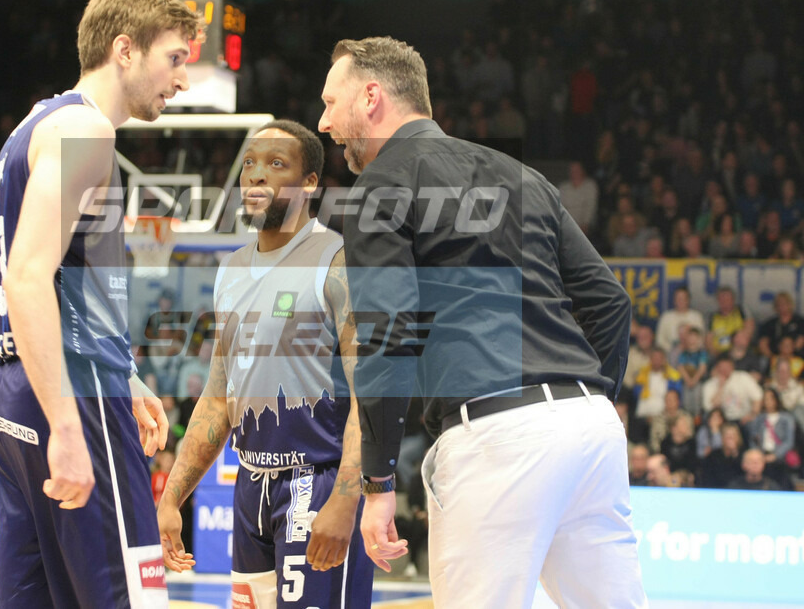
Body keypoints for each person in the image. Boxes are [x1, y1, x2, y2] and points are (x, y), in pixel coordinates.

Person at [318, 36, 645, 606]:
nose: (324, 123)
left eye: (329, 103)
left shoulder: (380, 187)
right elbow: (610, 303)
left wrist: (377, 481)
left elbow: (389, 333)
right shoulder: (520, 174)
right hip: (591, 431)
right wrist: (585, 403)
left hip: (497, 441)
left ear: (371, 98)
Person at [0, 0, 194, 609]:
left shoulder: (35, 124)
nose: (181, 81)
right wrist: (71, 425)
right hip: (70, 397)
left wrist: (124, 375)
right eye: (175, 59)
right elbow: (27, 276)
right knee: (132, 599)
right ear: (124, 49)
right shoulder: (88, 131)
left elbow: (62, 282)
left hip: (14, 393)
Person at [157, 121, 373, 608]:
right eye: (250, 162)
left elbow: (372, 393)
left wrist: (345, 497)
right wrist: (172, 495)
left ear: (310, 183)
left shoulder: (338, 260)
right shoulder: (231, 269)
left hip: (314, 482)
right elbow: (218, 397)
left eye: (277, 164)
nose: (256, 175)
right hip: (250, 486)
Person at [702, 355, 763, 424]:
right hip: (722, 421)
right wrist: (720, 387)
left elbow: (758, 397)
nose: (724, 370)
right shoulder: (709, 384)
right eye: (722, 367)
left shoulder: (743, 377)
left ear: (732, 367)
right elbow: (710, 409)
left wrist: (752, 414)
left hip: (744, 418)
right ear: (717, 367)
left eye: (727, 367)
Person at [654, 287, 705, 354]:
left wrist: (689, 347)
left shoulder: (696, 316)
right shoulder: (666, 317)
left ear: (688, 300)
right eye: (678, 298)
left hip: (693, 355)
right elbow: (660, 340)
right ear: (674, 300)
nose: (680, 301)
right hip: (669, 354)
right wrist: (675, 350)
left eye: (683, 298)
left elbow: (702, 339)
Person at [757, 291, 804, 358]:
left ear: (790, 304)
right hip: (774, 358)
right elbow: (763, 343)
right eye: (779, 304)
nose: (782, 306)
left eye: (784, 303)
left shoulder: (800, 322)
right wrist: (772, 358)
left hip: (797, 359)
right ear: (775, 307)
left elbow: (801, 340)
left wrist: (789, 356)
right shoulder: (769, 324)